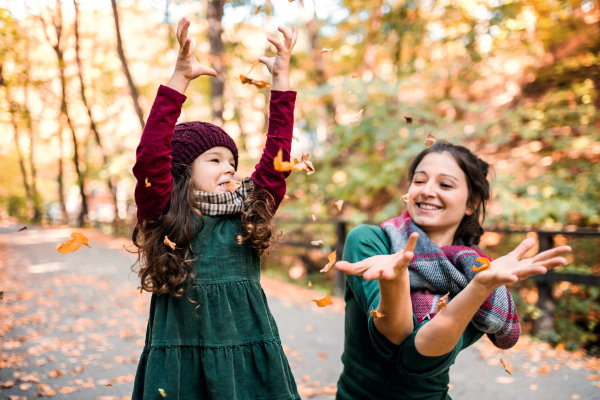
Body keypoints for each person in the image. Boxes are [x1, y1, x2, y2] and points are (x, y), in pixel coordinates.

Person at [130, 17, 300, 400]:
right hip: (181, 359)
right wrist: (178, 80)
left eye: (232, 162)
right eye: (215, 160)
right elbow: (150, 156)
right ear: (183, 169)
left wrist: (281, 81)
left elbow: (278, 155)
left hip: (248, 354)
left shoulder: (249, 212)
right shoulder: (166, 215)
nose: (229, 168)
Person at [334, 141, 572, 399]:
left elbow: (415, 360)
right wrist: (394, 282)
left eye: (445, 184)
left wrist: (479, 288)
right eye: (419, 181)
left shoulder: (474, 274)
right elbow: (392, 342)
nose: (427, 191)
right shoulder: (371, 242)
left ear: (471, 203)